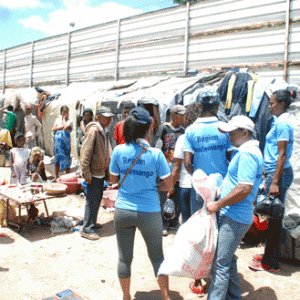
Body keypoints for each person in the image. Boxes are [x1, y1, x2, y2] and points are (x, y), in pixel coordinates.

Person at [109, 106, 172, 300]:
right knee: (157, 258)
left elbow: (113, 182)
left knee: (124, 258)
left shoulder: (118, 150)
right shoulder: (155, 154)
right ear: (148, 129)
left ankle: (126, 296)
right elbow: (168, 185)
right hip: (149, 212)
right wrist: (153, 187)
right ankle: (166, 296)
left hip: (123, 211)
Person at [206, 115, 263, 300]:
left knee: (220, 264)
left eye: (232, 133)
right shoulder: (246, 151)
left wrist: (217, 204)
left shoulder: (247, 153)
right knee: (227, 260)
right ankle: (233, 296)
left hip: (235, 216)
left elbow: (244, 188)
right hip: (235, 214)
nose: (229, 137)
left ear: (244, 133)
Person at [183, 90, 232, 295]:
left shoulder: (191, 131)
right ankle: (219, 277)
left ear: (199, 106)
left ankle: (198, 280)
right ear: (217, 106)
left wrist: (200, 180)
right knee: (220, 231)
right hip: (221, 190)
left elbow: (187, 163)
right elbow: (231, 157)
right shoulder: (225, 128)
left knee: (200, 233)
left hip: (200, 190)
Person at [249, 89, 296, 272]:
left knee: (274, 217)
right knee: (272, 217)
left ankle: (271, 262)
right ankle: (270, 254)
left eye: (272, 103)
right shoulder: (278, 121)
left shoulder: (283, 123)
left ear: (282, 104)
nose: (269, 106)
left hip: (279, 174)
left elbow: (282, 154)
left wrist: (274, 181)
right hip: (274, 173)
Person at [80, 106, 114, 240]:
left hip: (99, 173)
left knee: (97, 199)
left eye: (110, 117)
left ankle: (92, 222)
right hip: (93, 173)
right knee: (92, 200)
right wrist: (86, 172)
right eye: (107, 117)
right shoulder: (94, 131)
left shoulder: (104, 131)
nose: (110, 120)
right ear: (99, 117)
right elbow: (85, 154)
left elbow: (106, 151)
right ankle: (87, 229)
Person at [152, 104, 186, 236]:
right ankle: (163, 223)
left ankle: (174, 221)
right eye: (181, 115)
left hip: (179, 169)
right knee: (164, 196)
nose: (183, 117)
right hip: (165, 169)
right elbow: (156, 147)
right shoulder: (163, 128)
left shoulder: (184, 131)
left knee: (177, 195)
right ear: (174, 115)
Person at [168, 103, 201, 224]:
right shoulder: (204, 136)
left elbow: (177, 167)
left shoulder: (184, 138)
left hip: (186, 185)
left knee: (187, 222)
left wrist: (170, 188)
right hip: (202, 185)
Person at [52, 105, 73, 182]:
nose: (66, 113)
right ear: (61, 112)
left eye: (67, 112)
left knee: (66, 159)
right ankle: (56, 176)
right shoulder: (57, 120)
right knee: (57, 159)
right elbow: (53, 129)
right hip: (57, 143)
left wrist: (64, 120)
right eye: (64, 112)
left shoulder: (70, 121)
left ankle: (68, 177)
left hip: (65, 144)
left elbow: (66, 127)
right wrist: (61, 127)